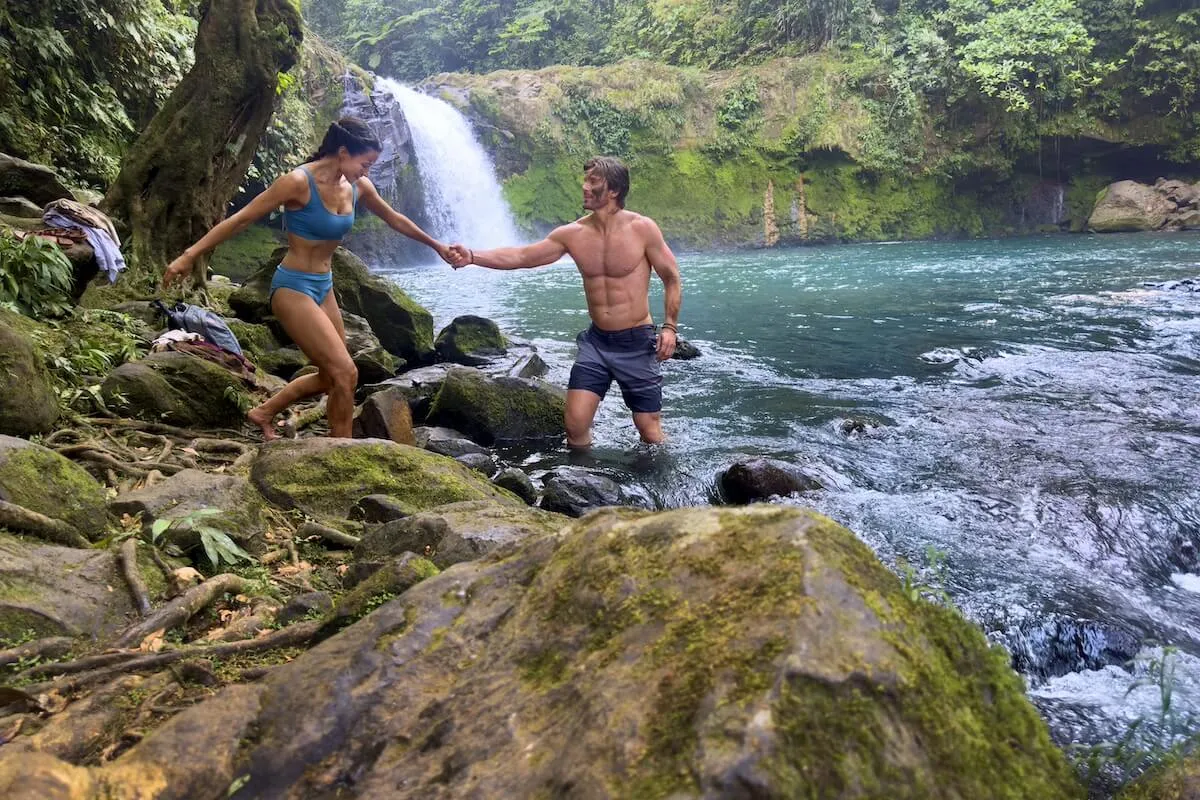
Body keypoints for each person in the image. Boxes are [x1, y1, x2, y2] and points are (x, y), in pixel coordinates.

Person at [162, 117, 454, 440]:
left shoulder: (358, 188)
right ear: (343, 151)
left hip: (324, 287)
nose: (367, 172)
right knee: (346, 373)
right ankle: (340, 452)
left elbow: (395, 219)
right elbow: (242, 220)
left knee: (333, 376)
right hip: (293, 287)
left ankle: (263, 413)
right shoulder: (298, 183)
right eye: (365, 163)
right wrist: (190, 255)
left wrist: (437, 245)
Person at [448, 156, 682, 448]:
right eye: (585, 180)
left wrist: (670, 327)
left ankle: (658, 482)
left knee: (649, 431)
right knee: (575, 426)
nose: (584, 187)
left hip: (636, 341)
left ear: (613, 190)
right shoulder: (573, 234)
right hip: (597, 343)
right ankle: (583, 484)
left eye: (593, 182)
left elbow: (671, 277)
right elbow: (522, 257)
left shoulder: (643, 229)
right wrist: (472, 256)